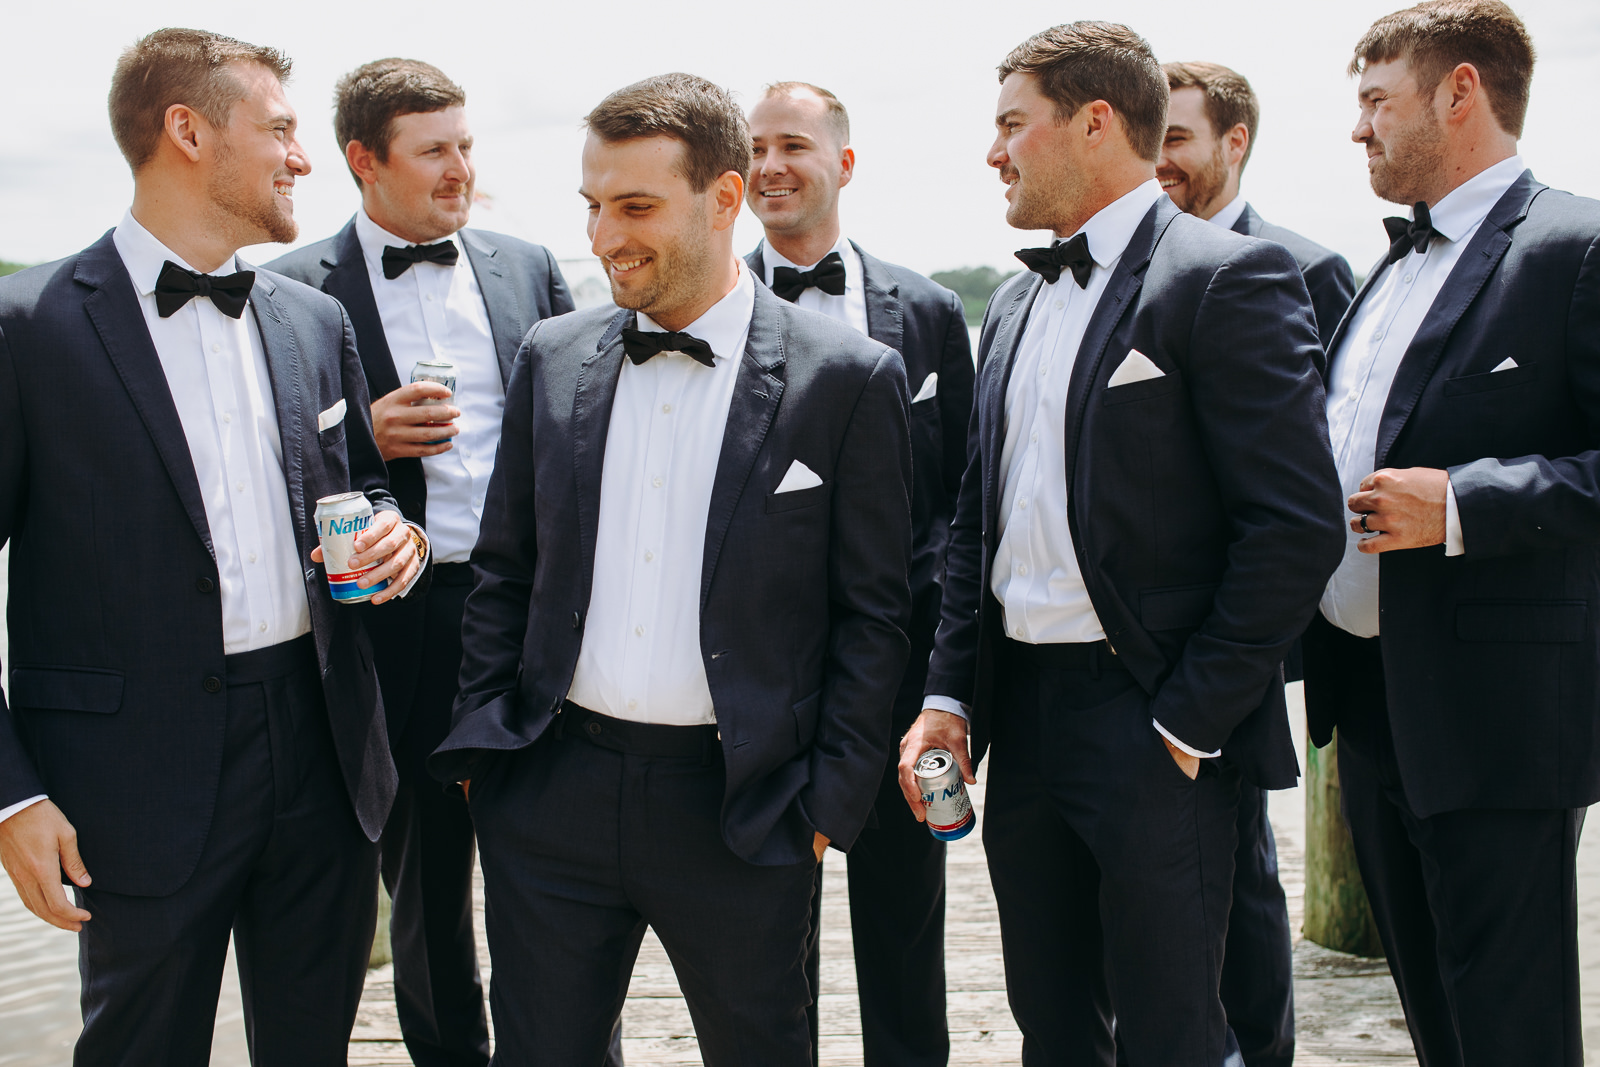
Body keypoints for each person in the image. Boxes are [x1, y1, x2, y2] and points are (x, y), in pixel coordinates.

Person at [427, 72, 913, 1066]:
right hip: (550, 790)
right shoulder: (551, 356)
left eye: (636, 206)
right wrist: (488, 750)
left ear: (724, 197)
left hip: (741, 807)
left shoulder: (847, 378)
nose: (606, 236)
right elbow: (505, 569)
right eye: (594, 207)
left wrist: (826, 803)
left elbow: (874, 612)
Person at [897, 22, 1345, 1066]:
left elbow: (1294, 524)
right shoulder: (1009, 302)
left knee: (1173, 1033)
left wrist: (1189, 717)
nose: (993, 151)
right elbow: (977, 520)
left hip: (1154, 720)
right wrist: (948, 695)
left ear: (1095, 122)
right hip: (1026, 716)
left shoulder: (1225, 278)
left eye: (1013, 124)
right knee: (1050, 1021)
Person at [0, 27, 424, 1064]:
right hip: (124, 779)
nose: (303, 155)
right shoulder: (27, 324)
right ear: (186, 131)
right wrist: (11, 792)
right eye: (279, 128)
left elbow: (358, 482)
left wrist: (394, 532)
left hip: (324, 753)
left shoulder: (314, 318)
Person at [1301, 2, 1600, 1063]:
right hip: (1370, 709)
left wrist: (1467, 501)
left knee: (1509, 1035)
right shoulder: (1382, 271)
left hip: (1499, 725)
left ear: (1459, 91)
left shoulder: (1577, 244)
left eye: (1375, 102)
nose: (1357, 129)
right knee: (1435, 1023)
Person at [268, 57, 574, 1067]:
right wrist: (364, 433)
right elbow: (251, 462)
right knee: (427, 879)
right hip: (389, 619)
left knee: (557, 867)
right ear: (363, 160)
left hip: (523, 614)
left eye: (467, 147)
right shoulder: (286, 290)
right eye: (435, 151)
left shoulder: (526, 263)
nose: (461, 170)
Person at [743, 80, 974, 1067]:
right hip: (761, 681)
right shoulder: (709, 308)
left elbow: (961, 500)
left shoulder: (925, 310)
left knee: (904, 939)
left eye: (791, 144)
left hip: (898, 683)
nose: (769, 166)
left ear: (843, 161)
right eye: (752, 148)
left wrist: (949, 686)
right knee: (759, 948)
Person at [1154, 59, 1358, 1067]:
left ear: (1235, 143)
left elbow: (1310, 476)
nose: (1160, 164)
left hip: (1242, 639)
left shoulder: (1306, 267)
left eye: (1178, 141)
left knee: (1238, 875)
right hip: (1142, 640)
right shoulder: (1121, 269)